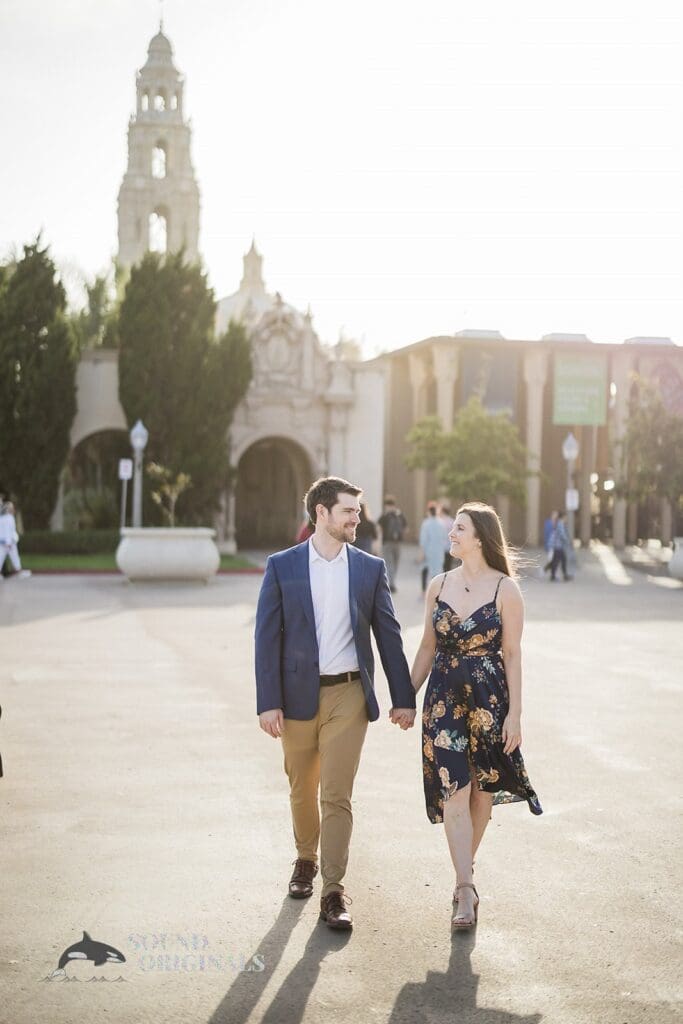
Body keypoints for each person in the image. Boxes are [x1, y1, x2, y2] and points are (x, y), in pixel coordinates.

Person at [255, 476, 416, 932]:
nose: (356, 518)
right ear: (321, 513)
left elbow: (389, 636)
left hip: (348, 693)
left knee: (336, 793)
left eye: (357, 511)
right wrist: (268, 702)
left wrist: (402, 698)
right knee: (302, 787)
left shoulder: (368, 568)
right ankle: (304, 860)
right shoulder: (282, 566)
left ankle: (332, 890)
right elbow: (266, 638)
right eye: (349, 510)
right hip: (294, 697)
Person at [410, 501, 542, 933]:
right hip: (444, 698)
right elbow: (427, 648)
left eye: (458, 529)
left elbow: (512, 655)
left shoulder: (506, 590)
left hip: (490, 701)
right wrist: (404, 697)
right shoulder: (438, 585)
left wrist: (515, 716)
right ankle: (465, 888)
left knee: (481, 792)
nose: (451, 534)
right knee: (454, 789)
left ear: (480, 538)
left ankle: (462, 873)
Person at [377, 495, 407, 593]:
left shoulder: (384, 516)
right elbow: (406, 529)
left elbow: (378, 529)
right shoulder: (400, 514)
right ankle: (392, 583)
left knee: (389, 564)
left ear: (386, 505)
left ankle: (391, 584)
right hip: (398, 543)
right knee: (395, 563)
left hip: (387, 543)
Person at [419, 502, 449, 593]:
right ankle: (437, 590)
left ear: (428, 512)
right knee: (437, 571)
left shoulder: (426, 523)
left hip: (428, 550)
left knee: (425, 569)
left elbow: (423, 539)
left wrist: (421, 552)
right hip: (439, 551)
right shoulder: (441, 523)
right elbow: (444, 537)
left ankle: (424, 590)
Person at [0, 502, 31, 579]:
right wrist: (8, 542)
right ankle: (19, 572)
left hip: (4, 542)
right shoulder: (9, 518)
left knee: (5, 557)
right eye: (11, 508)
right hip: (8, 543)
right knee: (13, 557)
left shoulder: (2, 518)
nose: (13, 509)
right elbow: (7, 531)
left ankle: (19, 571)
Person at [548, 512, 571, 581]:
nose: (567, 519)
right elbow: (562, 534)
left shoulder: (559, 523)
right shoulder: (560, 524)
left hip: (557, 546)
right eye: (566, 517)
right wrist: (567, 541)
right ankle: (564, 575)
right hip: (559, 546)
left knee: (555, 561)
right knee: (562, 560)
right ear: (563, 517)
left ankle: (553, 576)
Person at [439, 504, 455, 571]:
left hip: (441, 548)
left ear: (442, 511)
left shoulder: (439, 521)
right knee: (448, 567)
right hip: (450, 547)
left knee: (441, 567)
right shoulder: (453, 521)